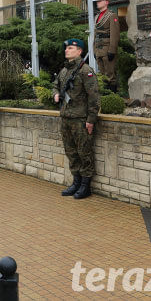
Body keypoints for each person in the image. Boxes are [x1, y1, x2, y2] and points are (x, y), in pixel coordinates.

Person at [53, 39, 100, 200]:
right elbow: (55, 85)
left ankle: (85, 186)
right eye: (66, 47)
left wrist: (91, 119)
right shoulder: (64, 71)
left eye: (71, 48)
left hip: (80, 119)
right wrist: (56, 94)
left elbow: (94, 97)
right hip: (66, 118)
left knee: (84, 152)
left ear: (79, 51)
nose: (67, 50)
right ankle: (76, 181)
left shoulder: (85, 70)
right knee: (71, 152)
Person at [93, 0, 121, 92]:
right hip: (98, 48)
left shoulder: (111, 15)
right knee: (102, 74)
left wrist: (112, 50)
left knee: (110, 74)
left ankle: (113, 95)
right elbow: (95, 34)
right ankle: (105, 94)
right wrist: (94, 50)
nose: (98, 2)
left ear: (106, 2)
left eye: (100, 1)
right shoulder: (97, 16)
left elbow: (115, 34)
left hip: (107, 47)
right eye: (97, 1)